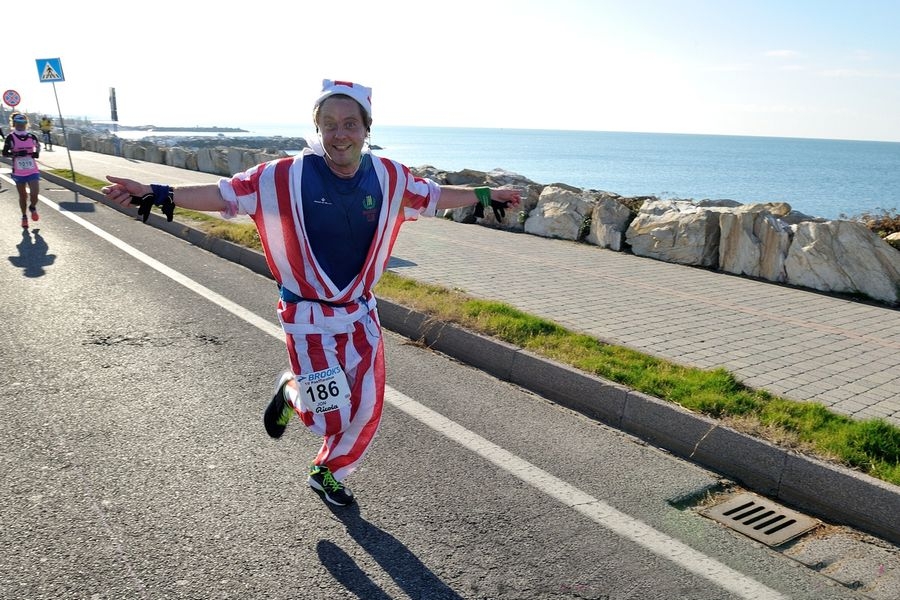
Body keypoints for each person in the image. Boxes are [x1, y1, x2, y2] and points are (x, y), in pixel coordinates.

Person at [101, 79, 521, 506]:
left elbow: (432, 196)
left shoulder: (389, 176)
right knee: (329, 416)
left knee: (366, 409)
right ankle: (290, 390)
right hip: (308, 319)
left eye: (351, 124)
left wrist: (486, 194)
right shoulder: (285, 176)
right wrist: (158, 192)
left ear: (366, 129)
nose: (341, 135)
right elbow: (226, 194)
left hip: (360, 314)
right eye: (330, 124)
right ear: (317, 128)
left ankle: (328, 471)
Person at [3, 113, 41, 228]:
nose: (21, 126)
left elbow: (38, 147)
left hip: (32, 170)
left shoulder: (32, 136)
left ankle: (32, 207)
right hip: (19, 172)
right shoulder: (11, 137)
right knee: (23, 195)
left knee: (35, 193)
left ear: (26, 124)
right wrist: (17, 153)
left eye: (23, 123)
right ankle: (24, 216)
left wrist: (36, 153)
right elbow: (4, 153)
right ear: (14, 124)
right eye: (18, 124)